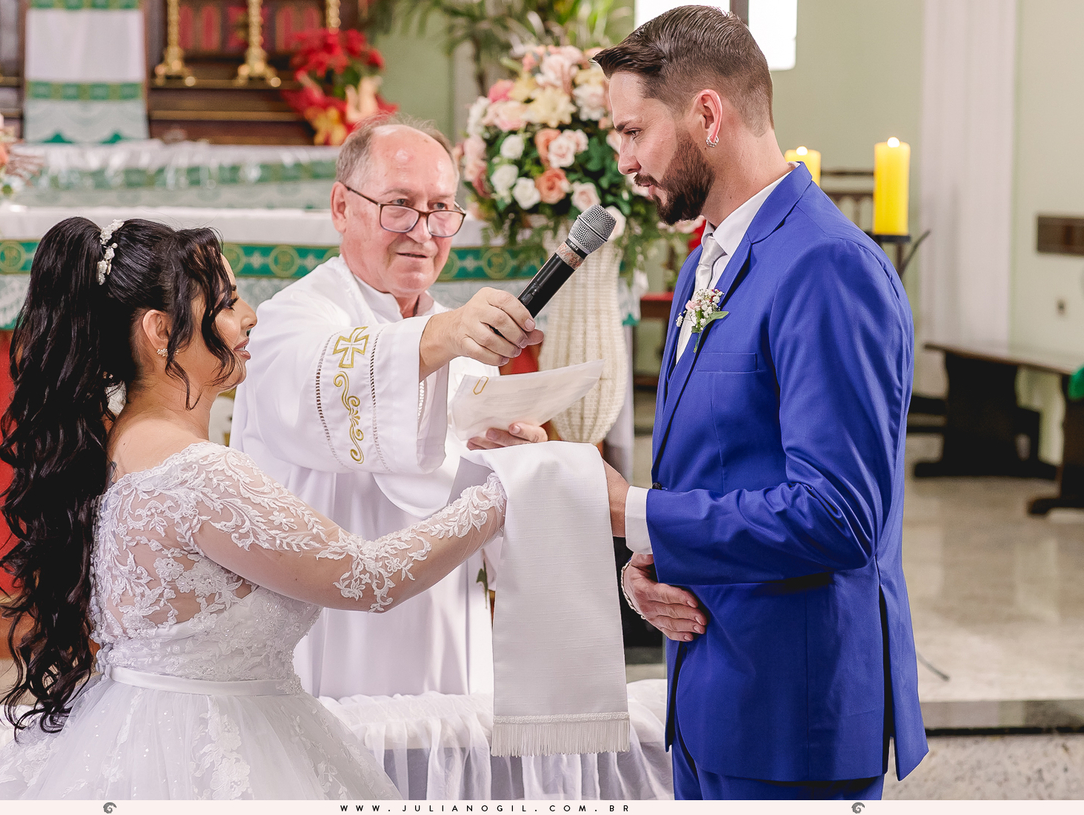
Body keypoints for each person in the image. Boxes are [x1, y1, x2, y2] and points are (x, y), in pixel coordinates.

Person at [0, 217, 508, 799]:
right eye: (226, 302)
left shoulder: (118, 445)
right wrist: (501, 494)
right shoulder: (198, 473)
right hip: (216, 749)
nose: (251, 315)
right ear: (159, 330)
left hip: (138, 727)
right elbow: (368, 579)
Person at [595, 6, 928, 800]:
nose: (625, 162)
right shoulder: (709, 255)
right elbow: (721, 468)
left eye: (634, 132)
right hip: (712, 690)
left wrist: (635, 513)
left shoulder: (826, 266)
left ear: (708, 113)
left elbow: (840, 515)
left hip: (791, 710)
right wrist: (648, 565)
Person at [230, 115, 545, 699]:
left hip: (446, 614)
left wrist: (516, 466)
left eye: (441, 209)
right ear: (342, 207)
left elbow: (481, 503)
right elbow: (313, 394)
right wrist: (439, 338)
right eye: (400, 204)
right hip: (328, 621)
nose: (423, 232)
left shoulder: (463, 341)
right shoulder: (293, 317)